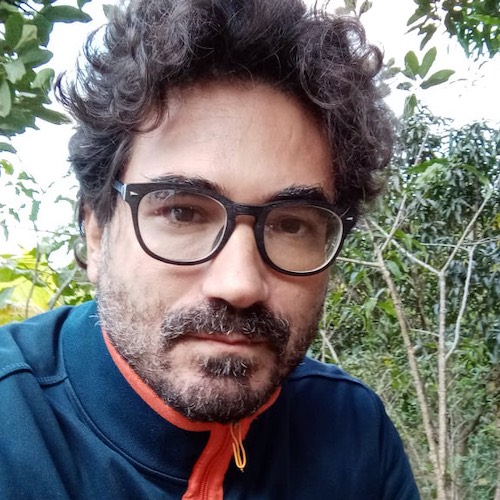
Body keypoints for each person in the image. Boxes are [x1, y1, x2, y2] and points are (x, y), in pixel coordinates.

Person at [0, 0, 420, 498]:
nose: (239, 285)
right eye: (182, 212)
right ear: (96, 232)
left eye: (290, 225)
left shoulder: (354, 431)